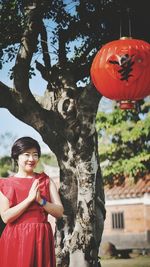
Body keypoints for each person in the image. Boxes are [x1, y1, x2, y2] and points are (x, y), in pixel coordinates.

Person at [0, 136, 64, 267]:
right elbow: (6, 217)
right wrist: (29, 199)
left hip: (41, 236)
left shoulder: (45, 180)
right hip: (15, 238)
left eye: (35, 155)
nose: (31, 159)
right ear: (17, 157)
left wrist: (41, 201)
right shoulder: (6, 184)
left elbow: (59, 212)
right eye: (26, 154)